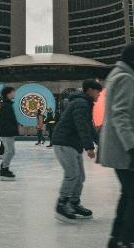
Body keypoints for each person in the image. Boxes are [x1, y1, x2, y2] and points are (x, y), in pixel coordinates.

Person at [99, 44, 134, 248]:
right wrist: (133, 147)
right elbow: (120, 115)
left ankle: (116, 239)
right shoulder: (126, 78)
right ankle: (127, 240)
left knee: (129, 194)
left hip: (121, 146)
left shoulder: (119, 75)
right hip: (123, 149)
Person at [52, 79, 102, 222]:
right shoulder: (81, 103)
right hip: (64, 142)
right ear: (91, 90)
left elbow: (89, 126)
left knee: (80, 176)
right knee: (72, 174)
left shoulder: (84, 103)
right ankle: (62, 204)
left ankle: (73, 203)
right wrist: (89, 147)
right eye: (98, 92)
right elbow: (82, 126)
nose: (99, 95)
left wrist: (99, 142)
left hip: (72, 144)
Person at [0, 86, 19, 180]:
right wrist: (12, 131)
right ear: (8, 94)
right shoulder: (6, 105)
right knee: (10, 151)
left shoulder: (7, 104)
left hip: (7, 132)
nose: (14, 94)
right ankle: (4, 170)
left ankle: (4, 167)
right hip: (7, 132)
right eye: (13, 92)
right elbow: (6, 121)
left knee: (10, 151)